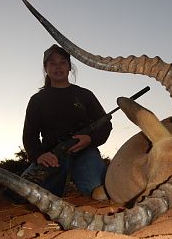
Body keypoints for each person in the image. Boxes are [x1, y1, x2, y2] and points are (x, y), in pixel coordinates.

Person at [21, 44, 112, 198]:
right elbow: (30, 135)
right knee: (29, 197)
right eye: (52, 63)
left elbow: (105, 125)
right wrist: (39, 156)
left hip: (84, 153)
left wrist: (90, 139)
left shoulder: (85, 95)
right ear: (46, 68)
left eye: (63, 62)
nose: (58, 67)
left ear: (70, 67)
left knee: (99, 191)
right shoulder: (37, 100)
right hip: (52, 156)